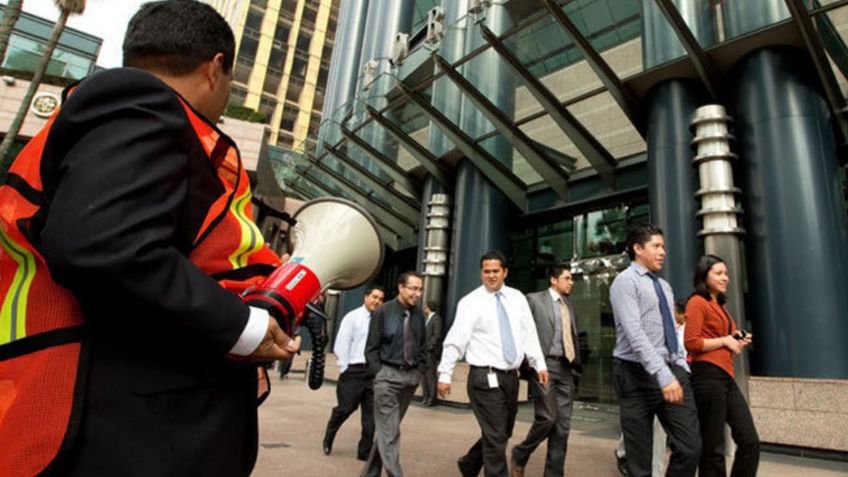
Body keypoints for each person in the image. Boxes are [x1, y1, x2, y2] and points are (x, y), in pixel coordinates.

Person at [0, 2, 300, 476]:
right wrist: (243, 327)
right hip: (123, 434)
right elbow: (104, 246)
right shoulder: (139, 102)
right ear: (216, 67)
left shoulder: (126, 112)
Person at [438, 250, 549, 477]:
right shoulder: (470, 302)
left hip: (510, 377)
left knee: (502, 432)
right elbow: (455, 340)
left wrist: (539, 363)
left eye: (495, 271)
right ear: (481, 274)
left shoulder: (517, 298)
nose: (490, 276)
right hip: (483, 377)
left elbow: (529, 334)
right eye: (486, 271)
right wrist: (444, 374)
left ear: (504, 272)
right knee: (497, 435)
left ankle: (469, 463)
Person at [609, 225, 700, 477]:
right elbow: (635, 334)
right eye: (656, 246)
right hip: (634, 374)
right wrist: (663, 374)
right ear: (638, 249)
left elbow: (672, 328)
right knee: (640, 459)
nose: (663, 252)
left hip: (671, 369)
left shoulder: (665, 286)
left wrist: (679, 363)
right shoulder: (624, 282)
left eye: (663, 246)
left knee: (690, 447)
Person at [684, 255, 759, 477]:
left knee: (750, 441)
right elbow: (691, 342)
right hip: (706, 376)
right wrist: (725, 341)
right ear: (703, 275)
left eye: (726, 273)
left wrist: (737, 337)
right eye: (718, 273)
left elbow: (726, 335)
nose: (725, 277)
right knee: (712, 447)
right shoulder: (697, 302)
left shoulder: (719, 304)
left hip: (726, 376)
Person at [510, 264, 582, 477]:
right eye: (567, 278)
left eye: (571, 279)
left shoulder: (570, 305)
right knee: (548, 418)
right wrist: (527, 364)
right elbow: (521, 331)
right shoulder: (533, 300)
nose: (571, 282)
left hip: (567, 368)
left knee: (562, 427)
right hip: (544, 367)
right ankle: (521, 453)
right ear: (553, 279)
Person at [361, 272, 427, 477]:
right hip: (386, 378)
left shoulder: (418, 316)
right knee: (390, 431)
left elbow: (422, 347)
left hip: (409, 379)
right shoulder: (383, 312)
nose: (417, 293)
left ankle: (369, 473)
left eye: (420, 289)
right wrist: (378, 374)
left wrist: (419, 372)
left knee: (387, 430)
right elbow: (371, 347)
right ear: (400, 288)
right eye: (413, 288)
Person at [614, 300, 688, 477]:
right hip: (649, 379)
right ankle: (652, 469)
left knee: (655, 426)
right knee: (648, 424)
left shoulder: (681, 331)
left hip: (672, 381)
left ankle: (638, 460)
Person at [323, 285, 385, 460]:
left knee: (371, 417)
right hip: (354, 371)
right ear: (366, 297)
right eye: (374, 297)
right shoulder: (352, 317)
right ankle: (329, 435)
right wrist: (345, 367)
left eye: (380, 299)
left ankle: (364, 452)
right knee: (345, 409)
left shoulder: (380, 319)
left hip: (373, 372)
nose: (377, 301)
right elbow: (341, 343)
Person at [421, 300, 443, 407]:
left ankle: (432, 398)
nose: (424, 309)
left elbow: (437, 335)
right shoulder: (426, 319)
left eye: (425, 307)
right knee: (424, 375)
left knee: (430, 376)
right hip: (423, 352)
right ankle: (425, 396)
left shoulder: (436, 318)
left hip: (430, 352)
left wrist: (430, 346)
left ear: (429, 308)